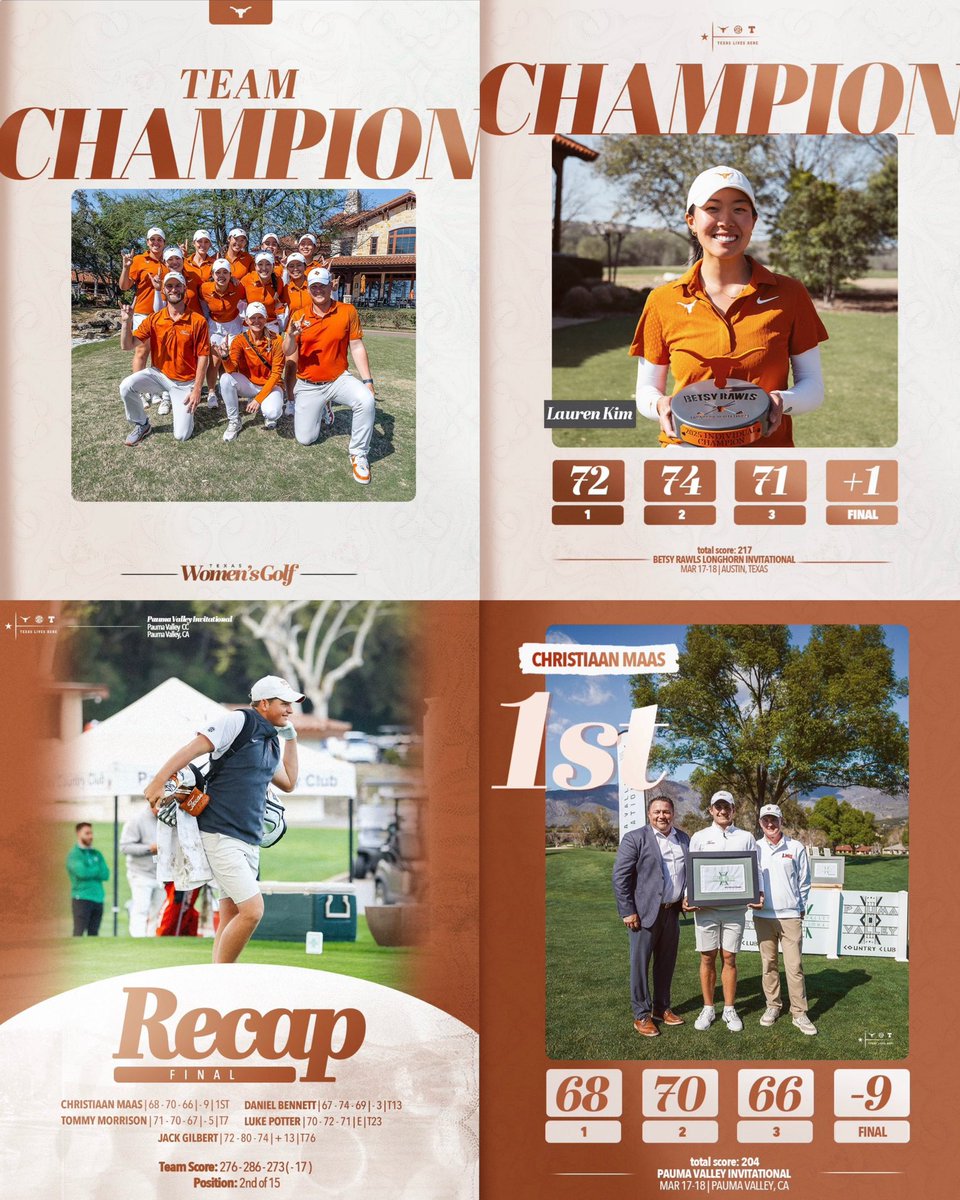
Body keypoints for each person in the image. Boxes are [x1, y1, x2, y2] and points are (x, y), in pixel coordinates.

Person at [629, 164, 829, 449]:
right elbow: (646, 391)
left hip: (765, 463)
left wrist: (781, 401)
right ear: (691, 220)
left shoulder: (790, 294)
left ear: (753, 220)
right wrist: (660, 405)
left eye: (739, 209)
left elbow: (812, 386)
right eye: (712, 209)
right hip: (685, 461)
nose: (726, 221)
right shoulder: (662, 300)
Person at [143, 675, 301, 964]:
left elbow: (289, 782)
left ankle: (215, 978)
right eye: (284, 703)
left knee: (231, 914)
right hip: (220, 834)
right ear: (263, 703)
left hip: (249, 840)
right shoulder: (238, 721)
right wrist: (158, 781)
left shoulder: (272, 741)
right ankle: (222, 979)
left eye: (292, 704)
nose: (290, 709)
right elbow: (193, 748)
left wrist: (291, 740)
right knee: (252, 911)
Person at [283, 267, 376, 484]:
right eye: (313, 286)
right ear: (308, 289)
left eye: (322, 285)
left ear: (331, 286)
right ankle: (324, 405)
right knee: (306, 439)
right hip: (307, 383)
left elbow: (356, 346)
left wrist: (368, 381)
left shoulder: (347, 310)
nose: (318, 290)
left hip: (337, 378)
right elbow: (287, 351)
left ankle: (359, 453)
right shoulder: (299, 315)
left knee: (366, 400)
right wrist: (290, 335)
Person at [612, 794, 690, 1038]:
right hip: (644, 914)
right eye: (657, 811)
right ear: (649, 814)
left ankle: (662, 1007)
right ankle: (642, 1015)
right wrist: (628, 911)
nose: (662, 816)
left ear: (673, 814)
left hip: (672, 912)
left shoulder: (683, 839)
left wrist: (688, 896)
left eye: (666, 811)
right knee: (640, 966)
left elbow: (689, 874)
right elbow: (620, 878)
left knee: (666, 964)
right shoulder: (635, 838)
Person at [686, 790, 762, 1033]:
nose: (721, 811)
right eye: (717, 807)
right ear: (710, 810)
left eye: (726, 806)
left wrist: (757, 892)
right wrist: (690, 896)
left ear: (733, 809)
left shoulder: (746, 837)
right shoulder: (699, 836)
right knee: (707, 957)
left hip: (735, 909)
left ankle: (729, 1008)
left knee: (729, 958)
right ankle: (708, 1007)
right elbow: (691, 871)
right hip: (705, 908)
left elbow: (755, 868)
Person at [118, 271, 210, 445]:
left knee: (182, 436)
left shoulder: (198, 321)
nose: (173, 289)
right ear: (164, 291)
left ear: (184, 288)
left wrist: (197, 388)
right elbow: (127, 345)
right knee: (126, 386)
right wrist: (126, 323)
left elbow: (203, 356)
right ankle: (141, 424)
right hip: (159, 375)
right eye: (169, 286)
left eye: (177, 285)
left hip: (184, 382)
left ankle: (183, 408)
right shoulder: (154, 319)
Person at [753, 803, 817, 1035]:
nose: (770, 824)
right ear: (760, 823)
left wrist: (799, 907)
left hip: (790, 916)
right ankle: (773, 1006)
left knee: (794, 966)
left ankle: (799, 1013)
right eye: (766, 820)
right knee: (768, 965)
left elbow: (804, 880)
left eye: (774, 820)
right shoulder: (755, 847)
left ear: (781, 821)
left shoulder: (796, 846)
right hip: (763, 916)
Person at [214, 302, 285, 439]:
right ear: (246, 320)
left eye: (260, 317)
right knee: (225, 379)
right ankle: (234, 420)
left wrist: (258, 400)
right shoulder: (240, 340)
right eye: (252, 318)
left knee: (272, 412)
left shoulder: (277, 340)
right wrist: (224, 357)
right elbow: (231, 369)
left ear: (266, 319)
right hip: (250, 384)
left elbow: (276, 374)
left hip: (271, 386)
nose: (256, 321)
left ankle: (268, 411)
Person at [119, 796, 164, 937]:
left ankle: (151, 939)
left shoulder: (166, 820)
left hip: (161, 873)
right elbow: (125, 847)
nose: (163, 809)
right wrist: (149, 849)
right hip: (140, 873)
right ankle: (138, 938)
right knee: (141, 909)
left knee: (157, 910)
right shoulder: (137, 820)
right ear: (152, 804)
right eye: (160, 805)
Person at [118, 226, 166, 330]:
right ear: (147, 242)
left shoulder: (170, 261)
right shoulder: (139, 260)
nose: (156, 242)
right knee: (142, 346)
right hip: (143, 314)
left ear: (164, 243)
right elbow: (124, 286)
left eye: (159, 239)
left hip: (165, 314)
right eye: (152, 239)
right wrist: (126, 268)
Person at [66, 822, 109, 937]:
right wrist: (96, 869)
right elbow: (82, 873)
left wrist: (91, 870)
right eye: (87, 833)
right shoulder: (75, 854)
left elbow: (105, 874)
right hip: (82, 898)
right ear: (78, 834)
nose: (90, 836)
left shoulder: (96, 853)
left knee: (94, 933)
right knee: (79, 932)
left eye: (91, 833)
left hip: (98, 898)